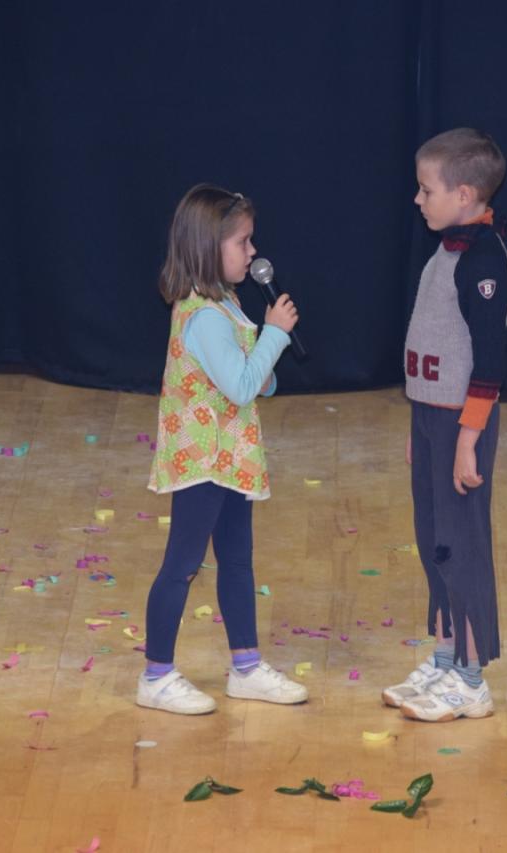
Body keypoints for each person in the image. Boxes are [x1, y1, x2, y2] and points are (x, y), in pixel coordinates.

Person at [139, 184, 307, 715]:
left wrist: (264, 365)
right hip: (202, 461)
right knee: (182, 564)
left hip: (228, 458)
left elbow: (245, 378)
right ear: (208, 247)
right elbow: (237, 387)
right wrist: (275, 336)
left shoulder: (225, 303)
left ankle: (246, 666)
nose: (253, 253)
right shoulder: (206, 316)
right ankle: (155, 675)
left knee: (237, 561)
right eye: (243, 242)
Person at [383, 128, 507, 722]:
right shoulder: (447, 250)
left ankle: (471, 679)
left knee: (460, 547)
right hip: (432, 421)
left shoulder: (484, 261)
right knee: (433, 540)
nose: (417, 199)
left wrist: (466, 440)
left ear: (463, 194)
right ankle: (444, 658)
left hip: (463, 426)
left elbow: (489, 365)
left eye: (425, 189)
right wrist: (422, 430)